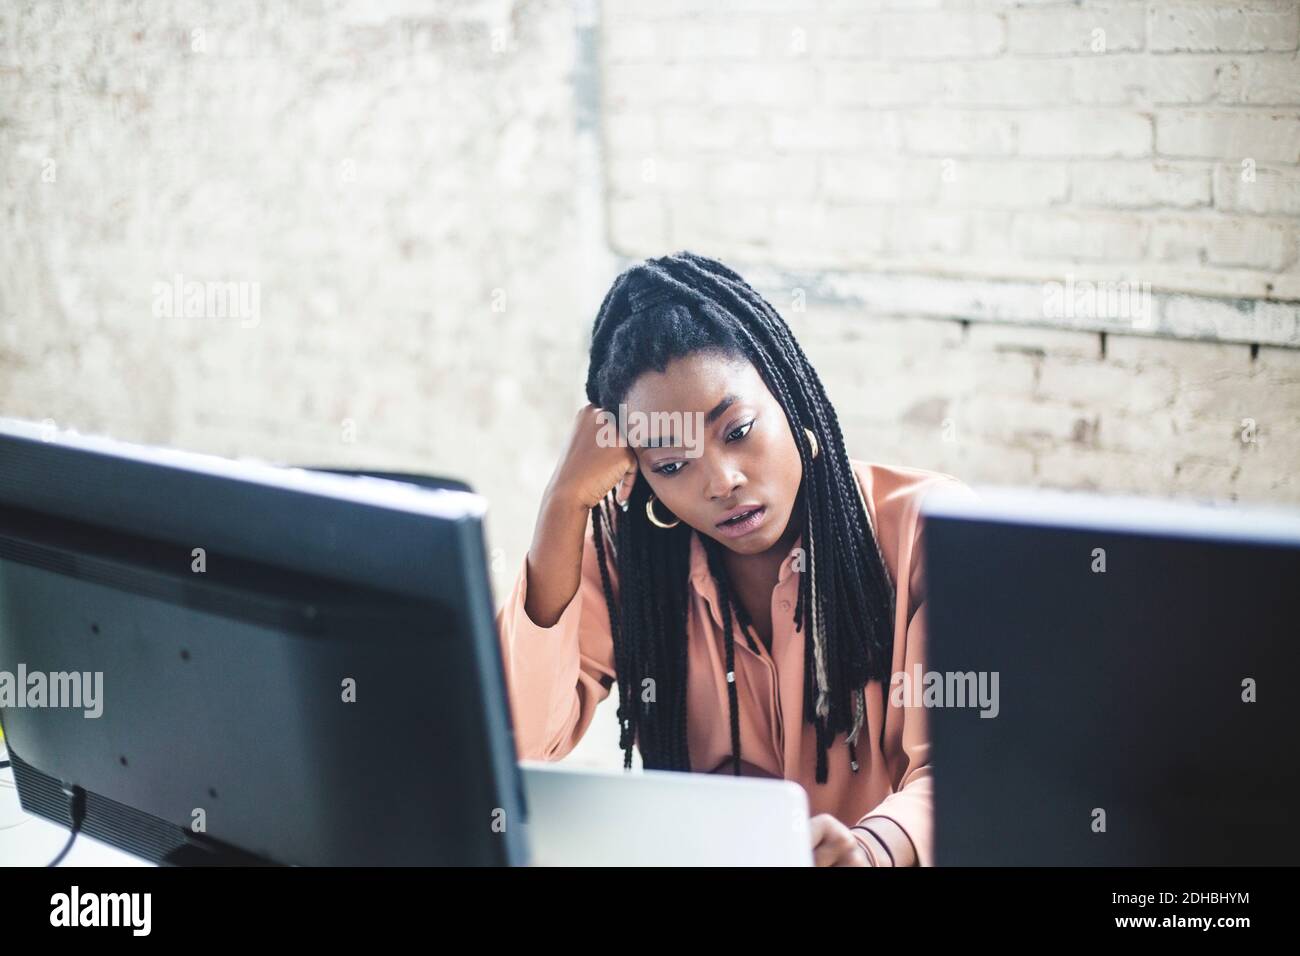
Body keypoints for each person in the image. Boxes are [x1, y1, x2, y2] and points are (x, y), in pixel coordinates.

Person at [495, 251, 974, 866]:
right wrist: (562, 505)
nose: (720, 481)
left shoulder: (927, 531)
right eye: (671, 465)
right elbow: (516, 745)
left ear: (788, 393)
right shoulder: (630, 564)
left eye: (738, 431)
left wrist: (870, 850)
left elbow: (968, 769)